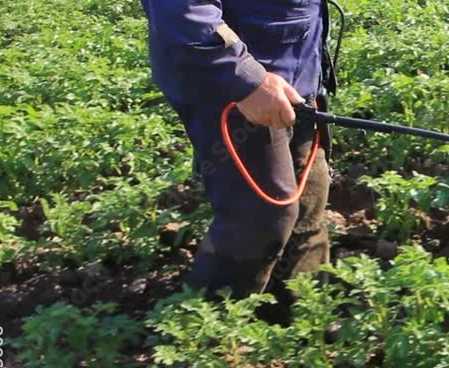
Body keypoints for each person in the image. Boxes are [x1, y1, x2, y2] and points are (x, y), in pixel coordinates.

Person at [139, 0, 334, 307]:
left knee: (309, 192)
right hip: (229, 81)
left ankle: (300, 317)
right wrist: (247, 79)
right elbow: (183, 9)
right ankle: (209, 332)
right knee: (260, 213)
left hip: (297, 68)